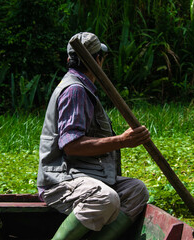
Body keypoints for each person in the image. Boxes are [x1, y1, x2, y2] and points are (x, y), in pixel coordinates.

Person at [37, 32, 150, 240]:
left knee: (136, 190)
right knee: (105, 198)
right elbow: (71, 146)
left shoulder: (83, 88)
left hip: (83, 175)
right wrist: (122, 141)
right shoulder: (75, 90)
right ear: (98, 60)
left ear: (68, 60)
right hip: (60, 181)